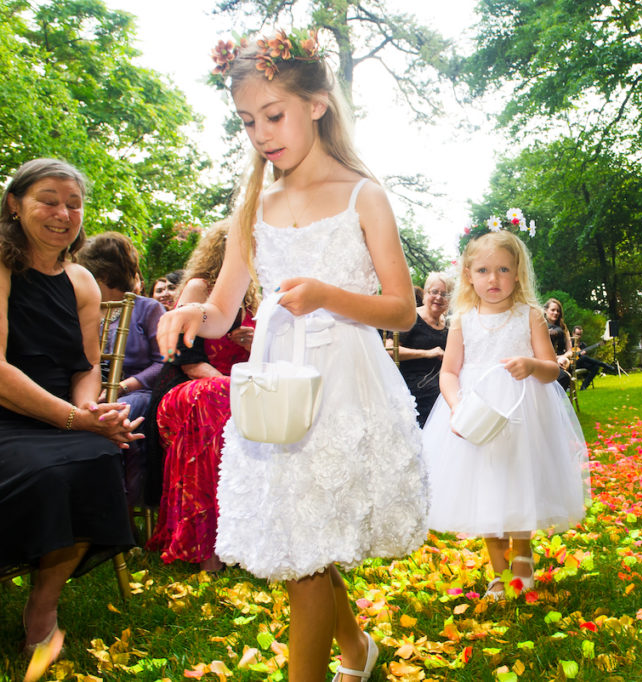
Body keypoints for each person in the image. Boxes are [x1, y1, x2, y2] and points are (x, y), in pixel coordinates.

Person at [156, 29, 427, 682]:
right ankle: (357, 649)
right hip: (279, 391)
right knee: (301, 543)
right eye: (248, 122)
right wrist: (195, 314)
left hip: (343, 384)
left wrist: (331, 294)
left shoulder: (364, 194)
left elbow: (401, 309)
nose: (261, 134)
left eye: (272, 116)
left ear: (316, 103)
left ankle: (336, 662)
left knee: (307, 548)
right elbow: (224, 308)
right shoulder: (255, 203)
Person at [0, 158, 141, 669]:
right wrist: (72, 418)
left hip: (60, 414)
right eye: (50, 200)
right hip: (7, 415)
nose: (63, 213)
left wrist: (92, 411)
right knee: (49, 469)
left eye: (74, 204)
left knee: (100, 455)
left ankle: (42, 605)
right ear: (15, 204)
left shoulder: (81, 279)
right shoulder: (1, 263)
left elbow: (85, 366)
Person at [420, 230, 590, 600]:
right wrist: (457, 405)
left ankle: (523, 560)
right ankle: (499, 574)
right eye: (483, 270)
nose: (493, 279)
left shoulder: (529, 315)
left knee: (518, 481)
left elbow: (551, 369)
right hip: (476, 411)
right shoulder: (462, 319)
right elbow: (449, 371)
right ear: (468, 275)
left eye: (502, 269)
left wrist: (530, 364)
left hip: (521, 414)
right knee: (486, 488)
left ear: (517, 274)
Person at [145, 222, 256, 574]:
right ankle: (206, 550)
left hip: (228, 393)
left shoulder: (254, 299)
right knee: (217, 398)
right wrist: (232, 385)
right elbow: (185, 359)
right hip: (185, 392)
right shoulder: (199, 287)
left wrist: (254, 344)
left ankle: (249, 540)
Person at [75, 232, 165, 506]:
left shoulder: (149, 309)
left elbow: (164, 363)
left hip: (139, 393)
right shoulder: (84, 310)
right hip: (88, 394)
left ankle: (122, 507)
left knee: (120, 414)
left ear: (102, 274)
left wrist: (121, 387)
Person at [396, 272, 452, 426]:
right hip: (412, 392)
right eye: (434, 292)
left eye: (445, 294)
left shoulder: (448, 326)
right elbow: (390, 350)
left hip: (439, 392)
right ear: (426, 293)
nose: (439, 298)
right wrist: (428, 353)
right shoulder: (411, 317)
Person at [571, 325, 614, 389]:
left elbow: (585, 359)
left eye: (580, 335)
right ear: (573, 333)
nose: (579, 336)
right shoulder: (569, 343)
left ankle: (584, 385)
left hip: (582, 363)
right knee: (583, 358)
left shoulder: (583, 345)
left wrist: (582, 354)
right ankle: (604, 364)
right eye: (577, 334)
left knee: (595, 367)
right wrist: (579, 355)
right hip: (573, 364)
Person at [544, 298, 573, 390]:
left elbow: (570, 351)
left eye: (558, 311)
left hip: (562, 361)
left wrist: (563, 357)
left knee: (563, 376)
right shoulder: (540, 326)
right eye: (553, 310)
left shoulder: (564, 328)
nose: (556, 313)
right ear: (545, 310)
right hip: (546, 360)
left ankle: (555, 401)